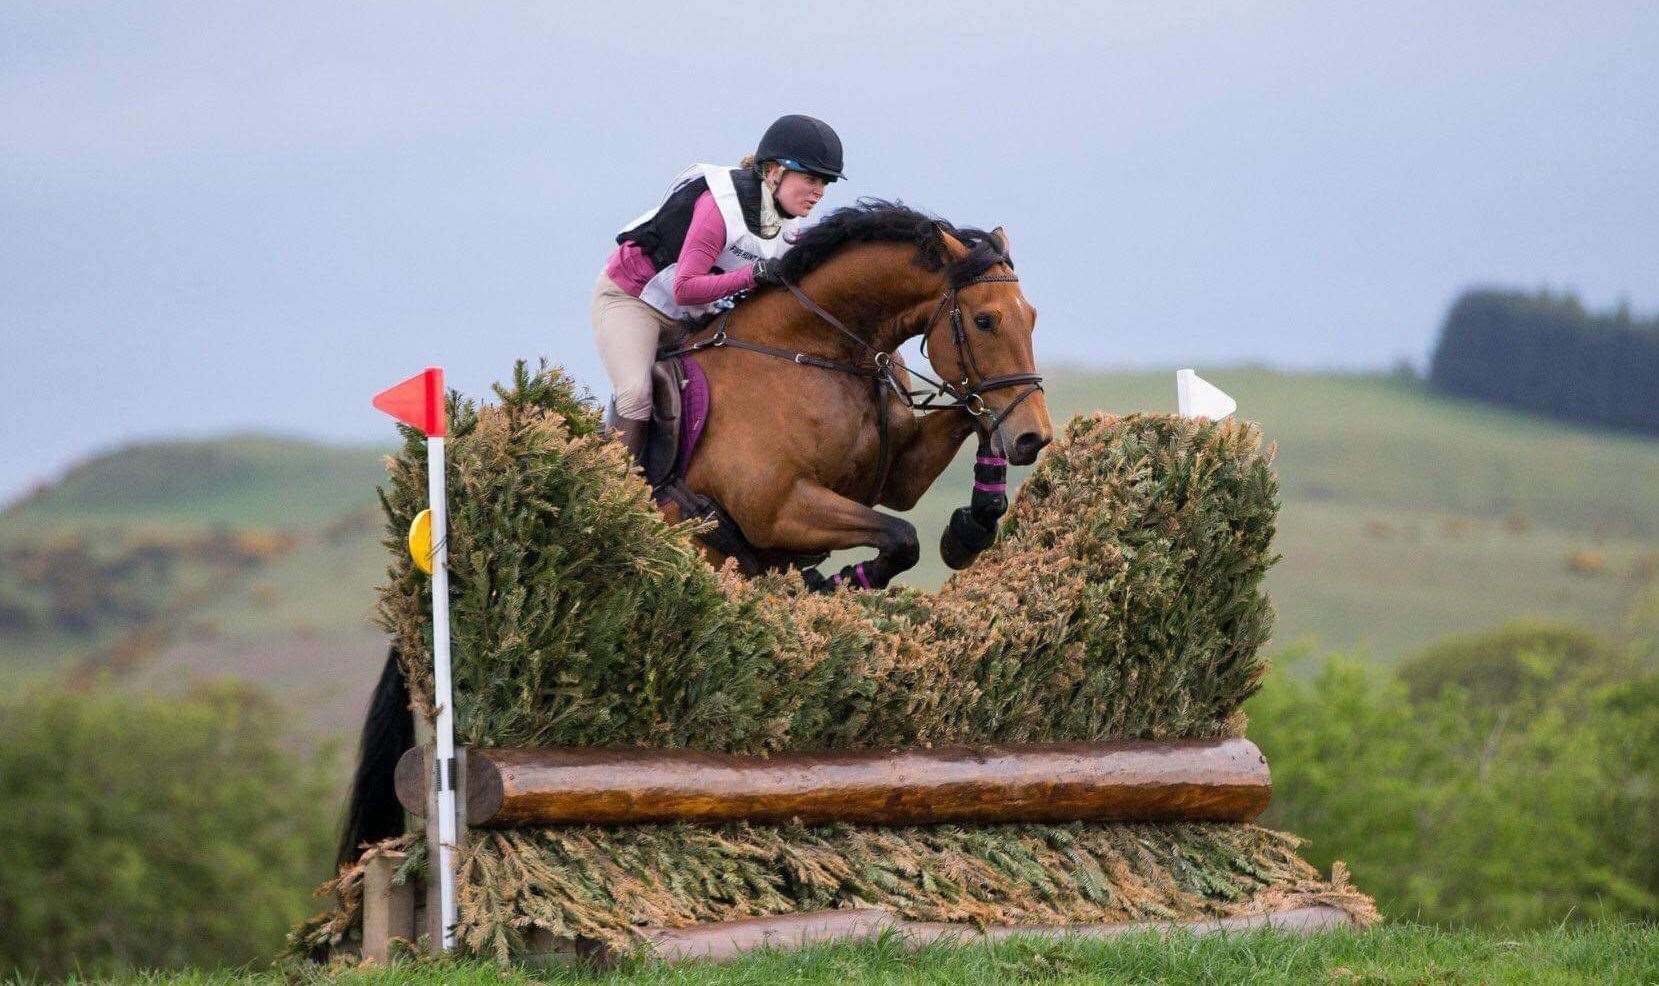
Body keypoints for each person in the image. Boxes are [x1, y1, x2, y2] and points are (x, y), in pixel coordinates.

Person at [592, 114, 845, 465]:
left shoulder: (789, 226)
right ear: (774, 171)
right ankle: (610, 498)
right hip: (634, 300)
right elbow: (685, 287)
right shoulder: (720, 207)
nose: (819, 192)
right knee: (636, 394)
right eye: (812, 179)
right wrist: (753, 274)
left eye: (826, 183)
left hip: (694, 314)